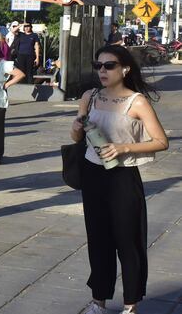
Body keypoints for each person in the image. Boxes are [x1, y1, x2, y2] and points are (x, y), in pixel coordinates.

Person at [70, 45, 168, 314]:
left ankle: (130, 304)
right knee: (98, 240)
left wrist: (124, 147)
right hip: (93, 174)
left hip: (123, 176)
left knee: (128, 242)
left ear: (124, 69)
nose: (102, 70)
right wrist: (76, 127)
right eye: (98, 65)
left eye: (109, 65)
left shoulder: (137, 102)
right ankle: (98, 302)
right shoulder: (89, 96)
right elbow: (76, 138)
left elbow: (161, 141)